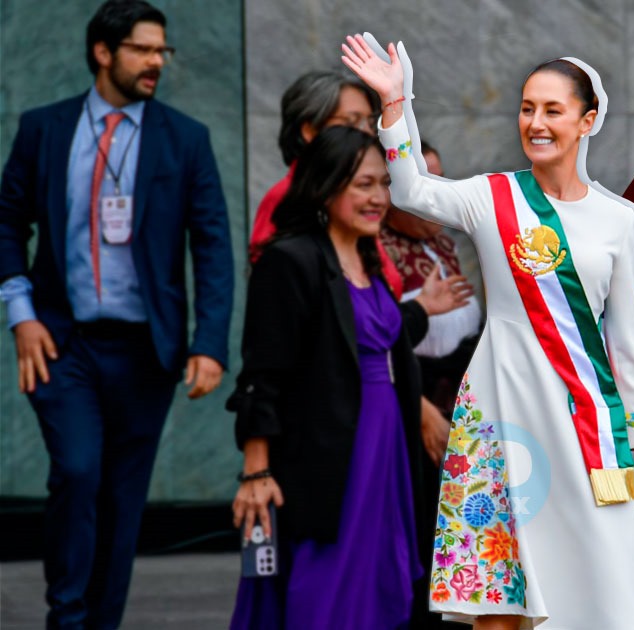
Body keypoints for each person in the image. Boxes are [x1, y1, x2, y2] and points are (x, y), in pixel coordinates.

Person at [343, 35, 634, 628]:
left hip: (589, 427)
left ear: (587, 120)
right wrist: (396, 103)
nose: (536, 122)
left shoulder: (621, 219)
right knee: (500, 600)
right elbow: (413, 189)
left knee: (605, 584)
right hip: (502, 421)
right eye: (527, 108)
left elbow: (628, 344)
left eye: (553, 109)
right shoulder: (491, 196)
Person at [0, 1, 233, 626]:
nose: (158, 61)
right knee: (76, 474)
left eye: (163, 50)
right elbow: (6, 223)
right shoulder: (42, 128)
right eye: (143, 49)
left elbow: (212, 245)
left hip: (146, 352)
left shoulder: (186, 139)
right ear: (104, 52)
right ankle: (66, 616)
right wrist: (21, 313)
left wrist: (209, 343)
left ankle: (101, 622)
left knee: (122, 498)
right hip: (62, 341)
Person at [227, 126, 434, 629]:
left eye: (383, 184)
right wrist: (256, 471)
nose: (379, 198)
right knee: (325, 586)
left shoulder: (366, 257)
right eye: (363, 185)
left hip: (388, 447)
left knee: (381, 584)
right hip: (329, 451)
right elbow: (262, 374)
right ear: (325, 186)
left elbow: (388, 346)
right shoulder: (289, 259)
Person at [380, 142, 484, 629]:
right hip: (406, 402)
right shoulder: (375, 246)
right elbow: (373, 338)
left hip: (458, 397)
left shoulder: (442, 239)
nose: (435, 192)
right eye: (423, 178)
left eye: (440, 178)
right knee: (416, 532)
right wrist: (421, 408)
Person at [248, 70, 378, 263]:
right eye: (351, 122)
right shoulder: (285, 196)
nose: (367, 133)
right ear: (309, 131)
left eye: (370, 123)